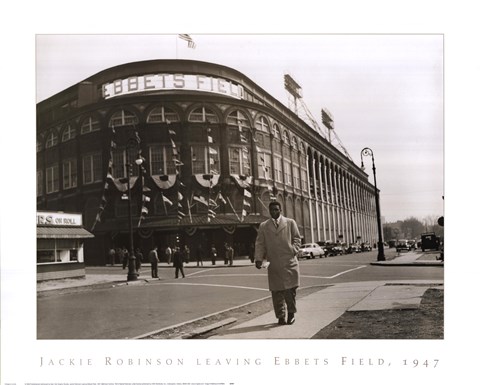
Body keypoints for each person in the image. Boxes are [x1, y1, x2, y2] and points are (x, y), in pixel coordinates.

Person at [254, 201, 301, 325]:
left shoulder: (290, 223)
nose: (274, 212)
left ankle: (291, 314)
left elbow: (297, 238)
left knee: (290, 290)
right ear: (269, 211)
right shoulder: (264, 226)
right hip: (273, 264)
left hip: (289, 262)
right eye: (272, 210)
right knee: (276, 291)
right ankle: (280, 316)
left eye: (276, 209)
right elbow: (260, 243)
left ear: (280, 210)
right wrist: (258, 258)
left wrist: (293, 250)